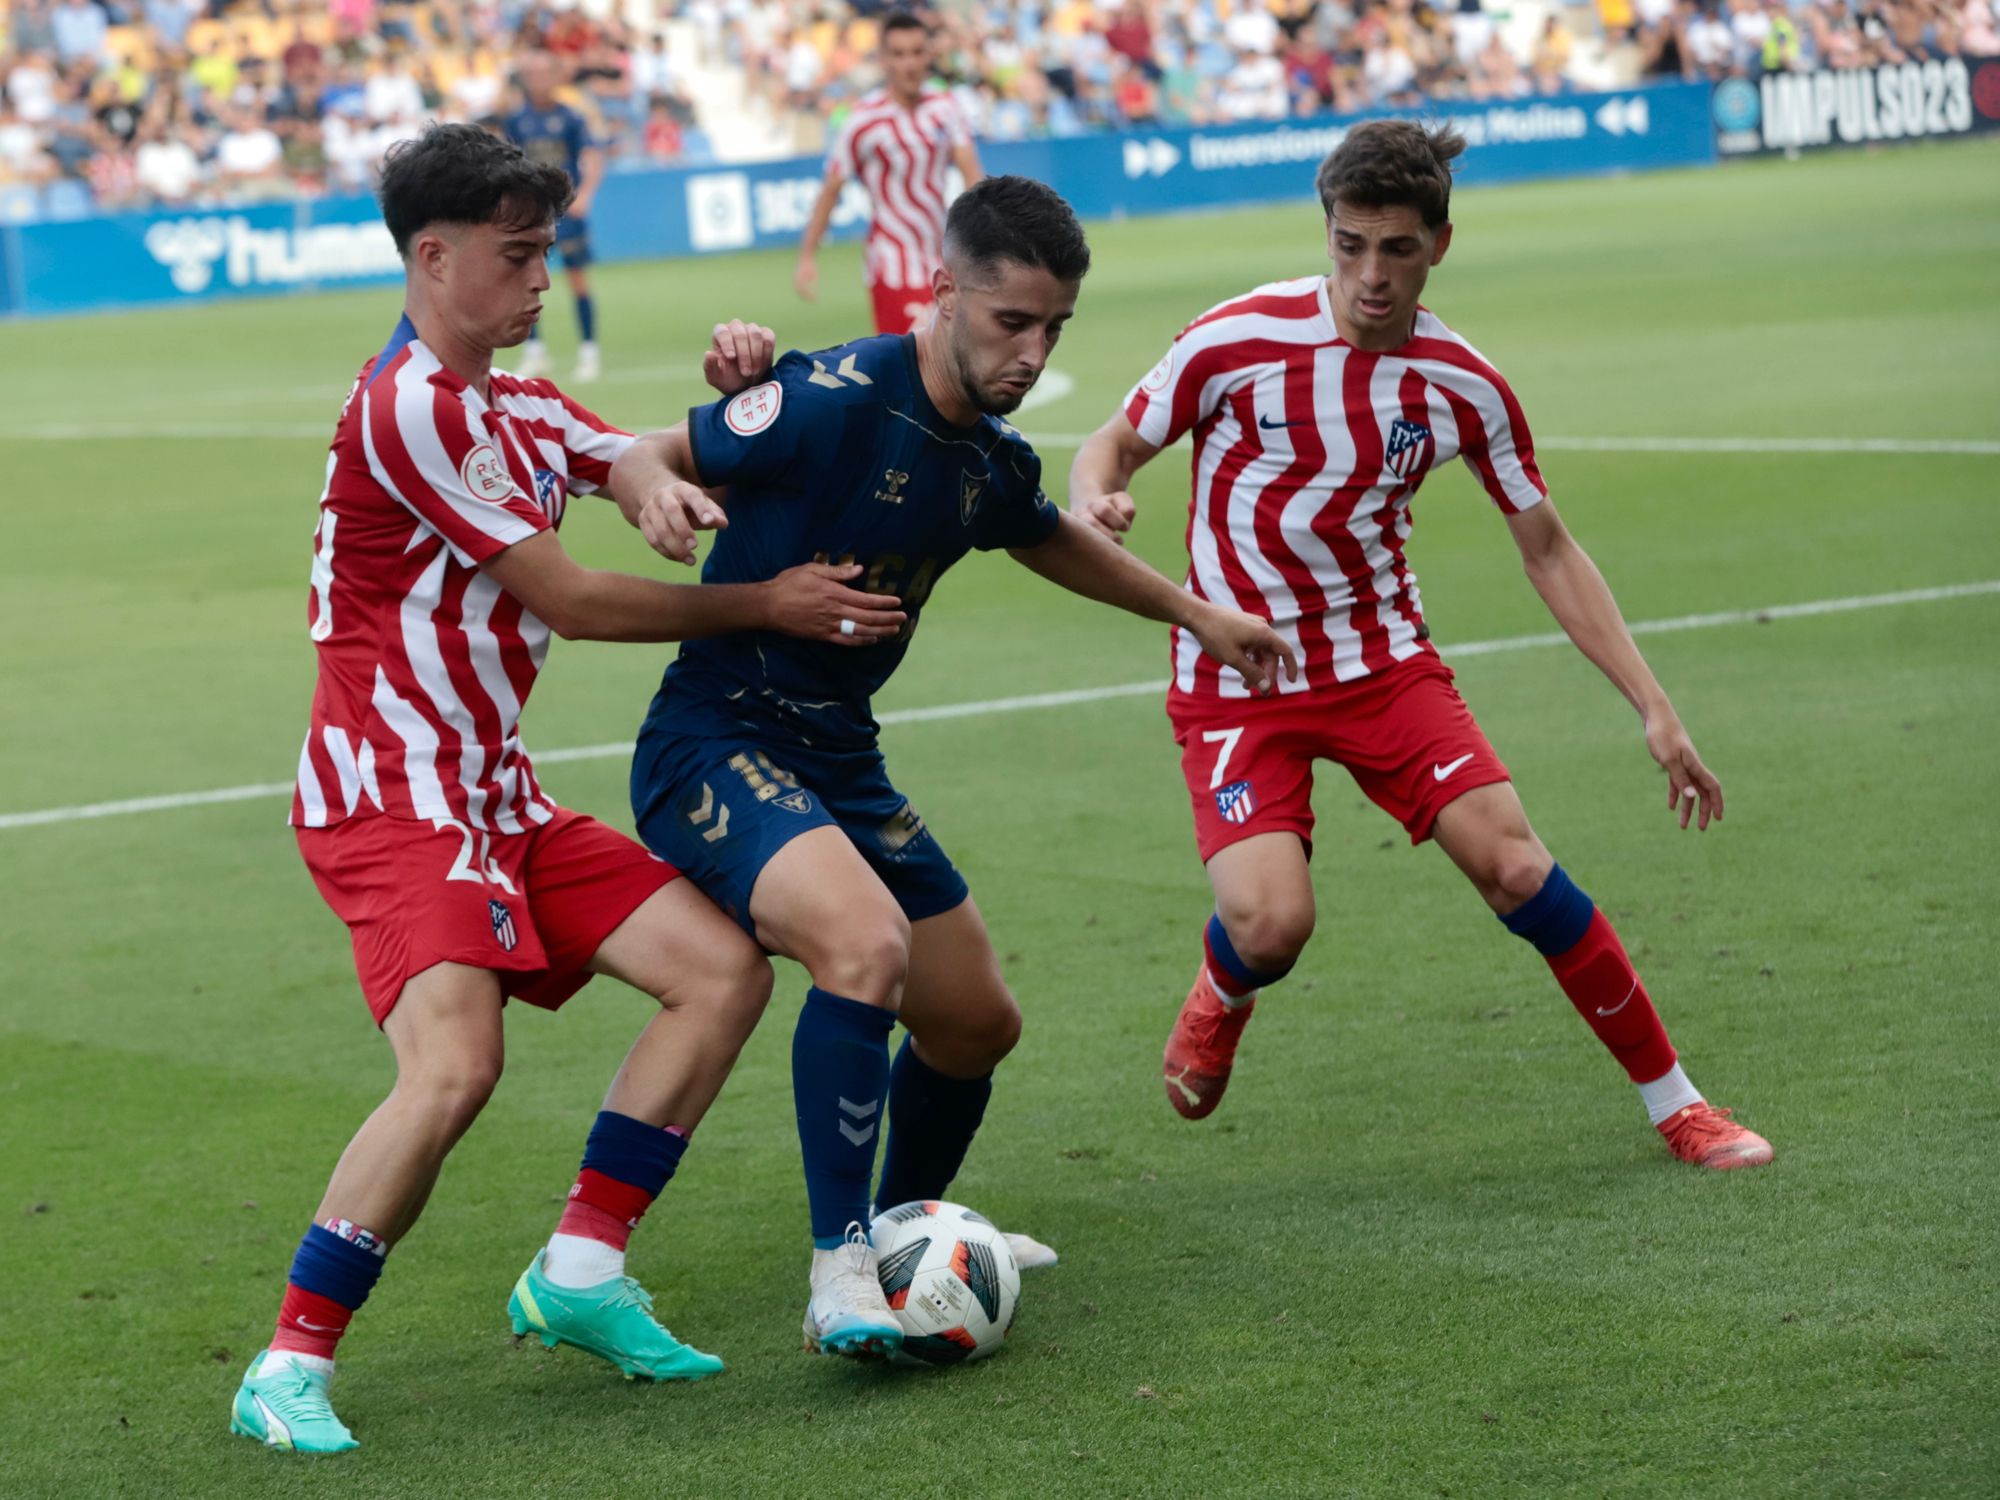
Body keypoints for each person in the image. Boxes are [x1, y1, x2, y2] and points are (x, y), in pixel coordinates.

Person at [230, 123, 910, 1456]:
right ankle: (286, 1363)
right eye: (519, 255)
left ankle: (583, 1272)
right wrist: (759, 599)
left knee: (721, 970)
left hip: (490, 792)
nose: (544, 278)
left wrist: (700, 436)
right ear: (433, 257)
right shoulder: (410, 404)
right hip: (391, 793)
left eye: (549, 251)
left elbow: (630, 454)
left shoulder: (510, 398)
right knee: (454, 1067)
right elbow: (575, 602)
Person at [625, 176, 1297, 1361]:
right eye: (1009, 323)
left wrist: (1199, 617)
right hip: (714, 739)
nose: (1032, 353)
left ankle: (903, 1223)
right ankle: (840, 1269)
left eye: (1053, 330)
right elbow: (648, 448)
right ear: (942, 293)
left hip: (837, 755)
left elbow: (1051, 541)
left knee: (975, 1022)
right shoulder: (827, 399)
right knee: (865, 949)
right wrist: (658, 493)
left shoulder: (986, 458)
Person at [1067, 121, 1775, 1173]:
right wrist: (1095, 493)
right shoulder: (1233, 337)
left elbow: (1546, 548)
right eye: (1349, 245)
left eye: (1395, 249)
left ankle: (1676, 1104)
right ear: (1326, 233)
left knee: (1516, 867)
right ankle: (1222, 988)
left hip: (1382, 667)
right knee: (1270, 928)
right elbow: (1113, 440)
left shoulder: (1463, 386)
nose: (1369, 275)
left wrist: (1650, 702)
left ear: (1438, 244)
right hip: (1232, 676)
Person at [793, 11, 984, 337]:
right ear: (883, 60)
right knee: (912, 370)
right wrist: (808, 256)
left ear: (929, 55)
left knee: (960, 364)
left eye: (916, 52)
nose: (909, 63)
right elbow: (831, 189)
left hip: (944, 259)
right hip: (893, 264)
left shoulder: (945, 107)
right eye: (898, 54)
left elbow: (972, 174)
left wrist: (982, 240)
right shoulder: (862, 120)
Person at [503, 50, 605, 382]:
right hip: (532, 215)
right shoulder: (517, 120)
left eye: (543, 72)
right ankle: (535, 353)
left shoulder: (571, 117)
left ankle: (589, 352)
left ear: (554, 76)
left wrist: (585, 195)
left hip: (566, 213)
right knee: (522, 283)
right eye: (531, 74)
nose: (537, 79)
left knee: (577, 280)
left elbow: (592, 157)